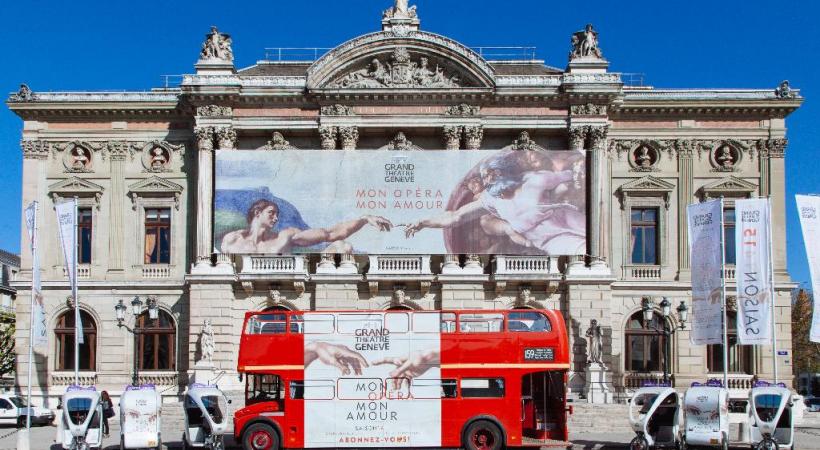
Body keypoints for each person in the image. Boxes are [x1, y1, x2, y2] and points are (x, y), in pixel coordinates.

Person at [405, 153, 586, 254]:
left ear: (504, 172)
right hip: (551, 241)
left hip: (570, 220)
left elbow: (573, 176)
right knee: (580, 254)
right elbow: (454, 216)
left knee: (593, 251)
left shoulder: (534, 180)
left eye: (491, 174)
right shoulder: (490, 200)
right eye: (485, 177)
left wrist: (573, 177)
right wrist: (423, 222)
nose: (487, 180)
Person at [220, 199, 392, 254]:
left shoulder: (285, 236)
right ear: (257, 213)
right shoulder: (232, 239)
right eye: (271, 212)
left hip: (286, 290)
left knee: (342, 246)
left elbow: (329, 234)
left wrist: (363, 219)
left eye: (277, 214)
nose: (276, 217)